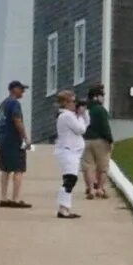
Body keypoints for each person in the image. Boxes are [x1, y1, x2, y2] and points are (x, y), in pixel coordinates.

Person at [51, 89, 89, 217]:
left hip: (72, 152)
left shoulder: (70, 115)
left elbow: (86, 123)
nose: (75, 104)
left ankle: (65, 207)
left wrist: (83, 114)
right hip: (68, 151)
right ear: (66, 102)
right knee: (70, 179)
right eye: (73, 101)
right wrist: (80, 116)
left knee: (70, 179)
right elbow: (81, 129)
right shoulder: (66, 115)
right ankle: (63, 208)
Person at [0, 80, 30, 207]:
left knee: (5, 169)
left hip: (2, 139)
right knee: (18, 169)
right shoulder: (14, 104)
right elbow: (17, 120)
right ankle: (15, 199)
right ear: (14, 89)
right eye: (21, 89)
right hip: (13, 140)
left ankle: (3, 197)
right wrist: (25, 138)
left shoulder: (2, 105)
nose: (23, 92)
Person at [82, 82, 115, 200]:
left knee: (88, 166)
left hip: (85, 140)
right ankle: (100, 189)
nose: (103, 98)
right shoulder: (100, 110)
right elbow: (105, 127)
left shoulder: (84, 109)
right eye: (102, 95)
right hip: (100, 141)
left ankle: (90, 189)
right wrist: (110, 140)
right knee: (103, 167)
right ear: (96, 96)